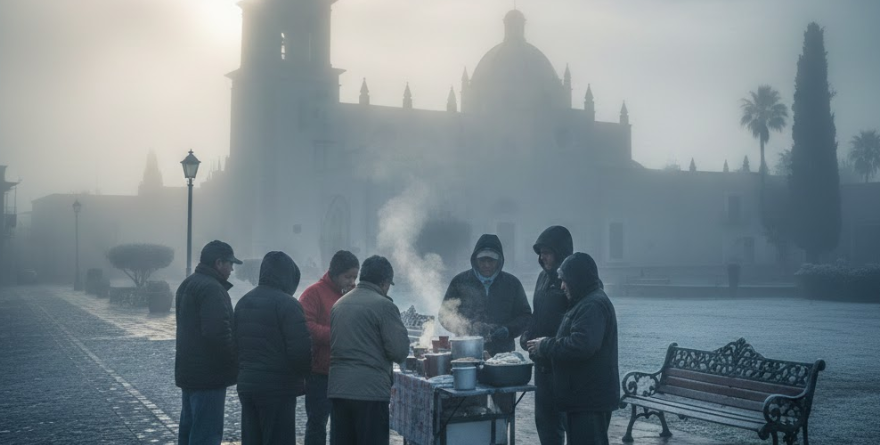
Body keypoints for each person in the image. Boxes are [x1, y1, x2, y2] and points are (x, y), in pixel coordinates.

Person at [527, 253, 619, 445]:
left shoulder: (592, 305)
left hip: (589, 400)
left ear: (577, 280)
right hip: (582, 397)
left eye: (565, 281)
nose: (562, 286)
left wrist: (545, 345)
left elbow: (582, 345)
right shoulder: (584, 301)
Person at [327, 255, 410, 445]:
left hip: (339, 390)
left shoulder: (338, 305)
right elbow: (399, 351)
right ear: (384, 282)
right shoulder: (384, 306)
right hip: (370, 393)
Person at [234, 251, 312, 445]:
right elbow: (300, 352)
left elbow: (235, 346)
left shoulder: (243, 302)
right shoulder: (288, 305)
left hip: (248, 385)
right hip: (278, 389)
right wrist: (304, 376)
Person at [175, 240, 242, 445]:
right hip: (209, 375)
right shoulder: (212, 289)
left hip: (190, 372)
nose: (232, 269)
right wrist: (235, 360)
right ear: (218, 263)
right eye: (230, 263)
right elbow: (217, 334)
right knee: (206, 435)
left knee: (189, 430)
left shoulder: (188, 283)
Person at [299, 250, 360, 445]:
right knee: (317, 422)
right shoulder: (313, 293)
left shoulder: (355, 296)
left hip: (346, 372)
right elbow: (305, 326)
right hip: (320, 372)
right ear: (334, 274)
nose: (351, 281)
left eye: (355, 277)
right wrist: (335, 336)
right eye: (347, 276)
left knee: (343, 424)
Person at [520, 226, 573, 445]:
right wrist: (528, 334)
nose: (542, 257)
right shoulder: (542, 278)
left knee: (568, 421)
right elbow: (538, 312)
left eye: (547, 252)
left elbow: (576, 318)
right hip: (541, 362)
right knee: (545, 422)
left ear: (560, 252)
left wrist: (553, 344)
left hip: (563, 363)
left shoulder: (573, 279)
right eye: (540, 253)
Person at [439, 234, 531, 356]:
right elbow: (444, 315)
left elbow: (525, 316)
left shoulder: (512, 284)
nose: (487, 265)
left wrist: (508, 330)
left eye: (491, 260)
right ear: (475, 260)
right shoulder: (460, 282)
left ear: (499, 261)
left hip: (503, 354)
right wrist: (470, 327)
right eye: (482, 260)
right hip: (466, 351)